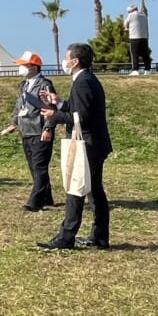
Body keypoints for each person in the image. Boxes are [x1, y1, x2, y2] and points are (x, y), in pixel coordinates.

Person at [36, 43, 111, 250]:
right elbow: (78, 109)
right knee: (94, 192)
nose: (64, 61)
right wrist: (59, 103)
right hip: (95, 143)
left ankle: (66, 237)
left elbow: (81, 118)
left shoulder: (82, 82)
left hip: (87, 145)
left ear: (75, 61)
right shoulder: (87, 79)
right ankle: (99, 237)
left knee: (76, 190)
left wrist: (54, 115)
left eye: (67, 57)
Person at [0, 52, 55, 211]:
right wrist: (14, 122)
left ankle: (34, 203)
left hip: (39, 130)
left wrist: (48, 128)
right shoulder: (23, 85)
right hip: (26, 130)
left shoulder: (45, 84)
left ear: (34, 67)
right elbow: (19, 106)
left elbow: (50, 108)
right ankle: (46, 198)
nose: (20, 68)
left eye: (24, 65)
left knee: (39, 167)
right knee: (34, 167)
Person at [126, 5, 152, 73]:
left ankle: (135, 70)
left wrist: (127, 28)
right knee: (145, 55)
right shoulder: (144, 15)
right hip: (144, 37)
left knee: (134, 54)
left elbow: (125, 24)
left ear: (131, 11)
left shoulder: (131, 15)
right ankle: (147, 70)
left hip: (134, 37)